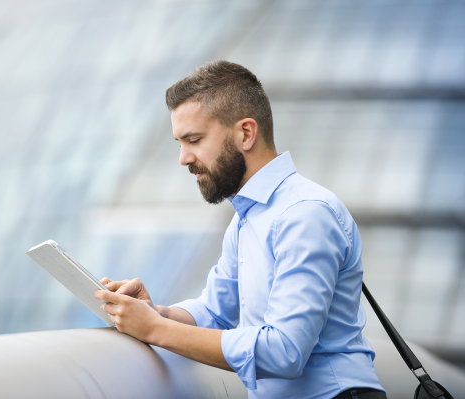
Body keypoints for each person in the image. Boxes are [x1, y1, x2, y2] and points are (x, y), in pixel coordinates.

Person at [94, 60, 386, 399]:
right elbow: (216, 312)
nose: (183, 158)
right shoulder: (247, 217)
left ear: (246, 133)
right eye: (179, 142)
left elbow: (284, 351)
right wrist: (156, 313)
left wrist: (157, 330)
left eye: (194, 139)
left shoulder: (305, 214)